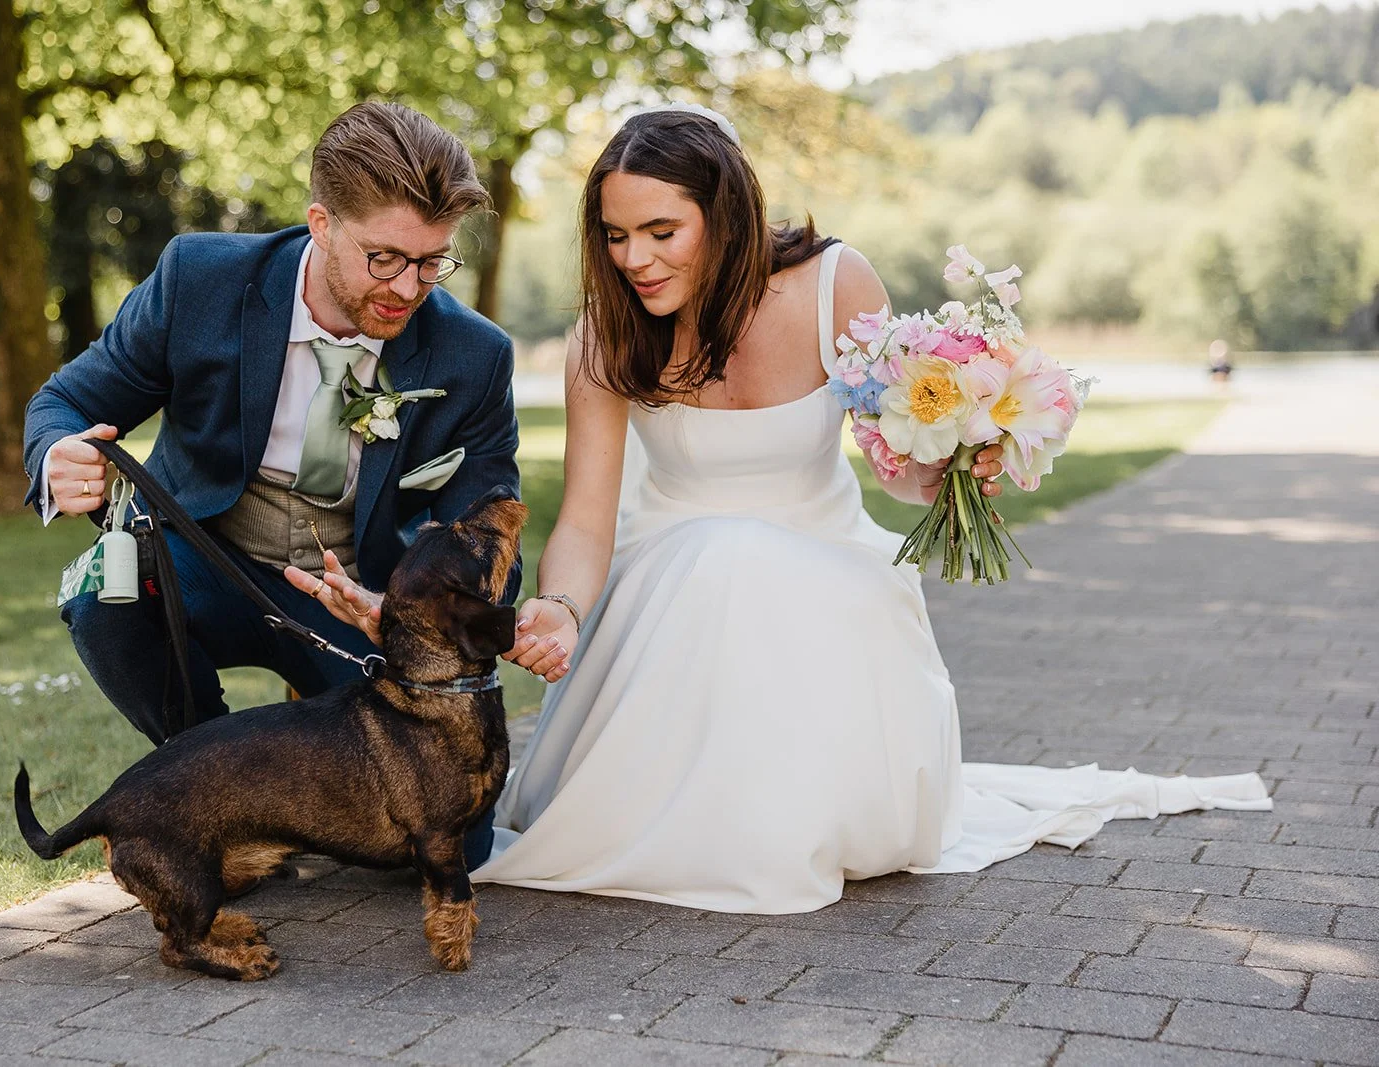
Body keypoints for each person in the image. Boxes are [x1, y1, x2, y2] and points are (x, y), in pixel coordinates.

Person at [461, 105, 1269, 913]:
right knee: (721, 554)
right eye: (615, 235)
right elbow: (587, 518)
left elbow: (897, 469)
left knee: (740, 555)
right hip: (669, 589)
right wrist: (563, 607)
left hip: (827, 576)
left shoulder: (833, 285)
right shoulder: (605, 334)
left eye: (661, 232)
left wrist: (956, 463)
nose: (634, 258)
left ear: (726, 213)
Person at [23, 101, 520, 869]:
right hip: (207, 564)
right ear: (321, 224)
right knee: (102, 602)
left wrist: (403, 610)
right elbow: (66, 402)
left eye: (433, 261)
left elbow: (492, 538)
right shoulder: (201, 280)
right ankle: (214, 799)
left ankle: (308, 783)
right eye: (384, 257)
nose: (410, 286)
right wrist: (57, 454)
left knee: (445, 843)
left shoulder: (473, 354)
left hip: (360, 607)